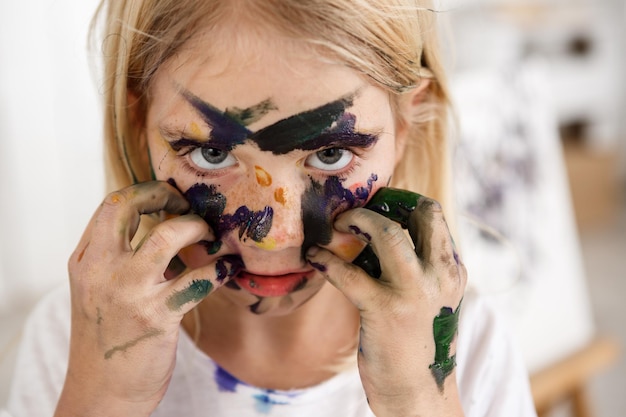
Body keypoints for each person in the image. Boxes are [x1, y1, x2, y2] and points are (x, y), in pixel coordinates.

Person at [3, 1, 537, 416]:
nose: (274, 235)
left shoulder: (466, 350)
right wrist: (105, 401)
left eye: (331, 154)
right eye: (212, 154)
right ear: (137, 122)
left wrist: (418, 403)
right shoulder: (76, 338)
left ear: (404, 124)